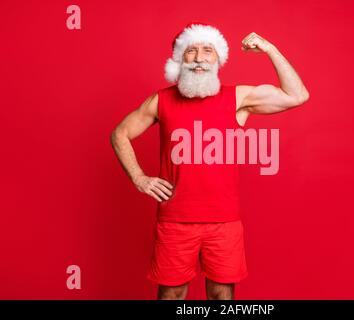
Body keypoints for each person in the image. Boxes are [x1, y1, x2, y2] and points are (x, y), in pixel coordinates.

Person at [110, 22, 310, 300]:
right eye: (191, 51)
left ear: (219, 59)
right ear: (180, 58)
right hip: (175, 221)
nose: (200, 57)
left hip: (224, 222)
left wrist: (269, 48)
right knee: (172, 295)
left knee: (221, 296)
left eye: (208, 50)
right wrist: (138, 177)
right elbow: (120, 133)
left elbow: (297, 95)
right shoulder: (161, 100)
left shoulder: (238, 98)